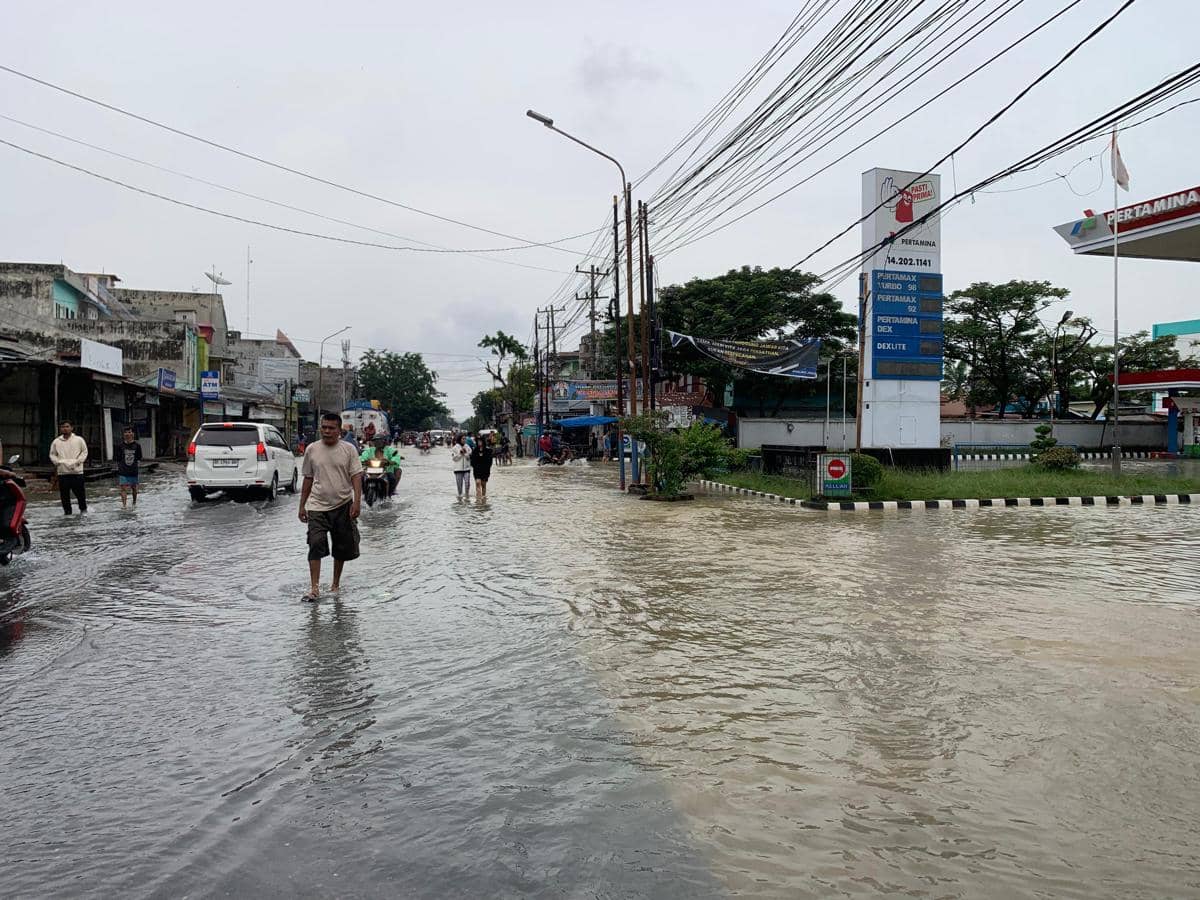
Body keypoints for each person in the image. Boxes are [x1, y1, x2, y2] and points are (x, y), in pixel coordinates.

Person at [299, 413, 363, 602]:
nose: (327, 431)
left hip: (343, 504)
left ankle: (335, 584)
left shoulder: (349, 450)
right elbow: (308, 478)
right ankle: (315, 588)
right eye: (324, 427)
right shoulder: (312, 449)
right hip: (317, 505)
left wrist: (357, 501)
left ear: (339, 430)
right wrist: (302, 506)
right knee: (315, 543)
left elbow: (356, 476)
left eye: (331, 428)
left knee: (341, 547)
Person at [50, 420, 88, 515]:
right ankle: (67, 513)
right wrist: (57, 462)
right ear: (60, 429)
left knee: (80, 495)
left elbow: (84, 452)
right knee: (64, 496)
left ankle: (83, 511)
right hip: (63, 473)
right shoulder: (56, 441)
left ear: (72, 428)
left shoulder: (79, 440)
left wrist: (78, 462)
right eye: (63, 427)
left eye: (67, 426)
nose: (65, 429)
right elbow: (52, 454)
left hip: (77, 472)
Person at [116, 427, 143, 508]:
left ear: (133, 434)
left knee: (134, 488)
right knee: (123, 488)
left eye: (130, 432)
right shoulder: (120, 446)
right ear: (123, 435)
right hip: (123, 470)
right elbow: (117, 458)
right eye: (126, 432)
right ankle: (124, 505)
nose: (128, 434)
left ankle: (134, 502)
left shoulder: (137, 446)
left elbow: (139, 457)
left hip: (133, 470)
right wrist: (119, 467)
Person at [470, 431, 494, 500]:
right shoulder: (475, 450)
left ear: (483, 442)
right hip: (477, 470)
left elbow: (490, 461)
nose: (479, 443)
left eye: (480, 441)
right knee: (477, 483)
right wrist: (474, 466)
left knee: (483, 485)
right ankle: (478, 498)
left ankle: (483, 498)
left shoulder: (488, 451)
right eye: (478, 441)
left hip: (485, 470)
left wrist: (487, 468)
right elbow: (472, 460)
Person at [450, 433, 472, 499]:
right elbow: (454, 459)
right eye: (463, 439)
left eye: (465, 439)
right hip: (458, 469)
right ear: (459, 439)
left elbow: (469, 457)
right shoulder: (455, 448)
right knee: (459, 486)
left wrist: (465, 453)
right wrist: (460, 453)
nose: (464, 440)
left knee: (467, 483)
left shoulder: (467, 446)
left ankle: (467, 497)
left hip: (467, 469)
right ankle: (460, 499)